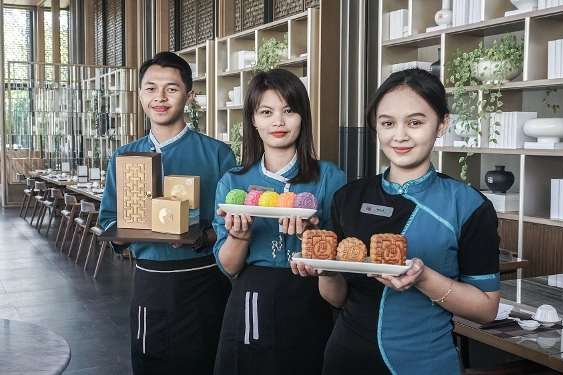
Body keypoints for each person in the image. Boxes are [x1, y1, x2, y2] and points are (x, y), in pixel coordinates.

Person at [292, 68, 501, 375]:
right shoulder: (348, 198)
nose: (399, 135)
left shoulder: (468, 205)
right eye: (387, 123)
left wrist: (423, 278)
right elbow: (336, 299)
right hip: (344, 359)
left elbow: (486, 310)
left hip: (423, 365)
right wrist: (326, 272)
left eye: (415, 122)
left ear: (442, 124)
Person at [98, 51, 236, 375]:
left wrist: (202, 236)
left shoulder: (218, 154)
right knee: (150, 363)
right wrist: (131, 228)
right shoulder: (124, 156)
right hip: (150, 281)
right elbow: (107, 220)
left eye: (171, 89)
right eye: (151, 88)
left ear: (189, 96)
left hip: (205, 281)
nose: (160, 97)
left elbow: (233, 226)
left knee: (205, 362)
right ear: (141, 94)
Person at [212, 68, 347, 374]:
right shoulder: (233, 182)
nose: (278, 121)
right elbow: (228, 267)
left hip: (310, 299)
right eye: (266, 111)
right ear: (253, 119)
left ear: (303, 117)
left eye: (289, 110)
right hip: (250, 299)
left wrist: (312, 236)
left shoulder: (329, 177)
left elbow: (341, 260)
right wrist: (239, 236)